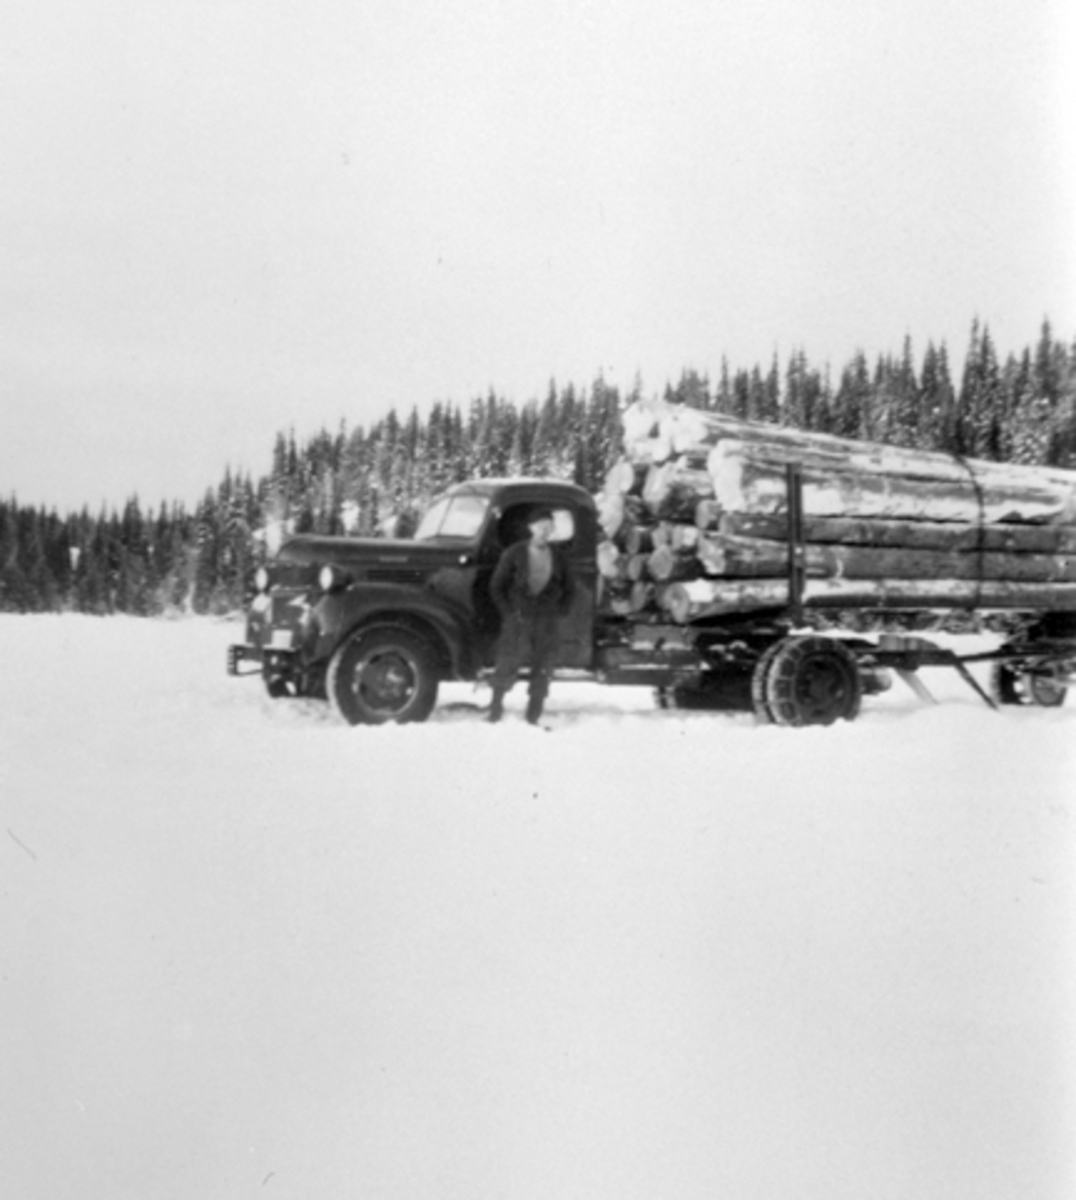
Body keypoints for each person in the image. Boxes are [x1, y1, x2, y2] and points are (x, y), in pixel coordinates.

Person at [487, 505, 576, 725]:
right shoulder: (514, 553)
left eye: (548, 527)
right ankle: (495, 709)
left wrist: (560, 611)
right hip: (519, 616)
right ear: (531, 528)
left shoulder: (559, 556)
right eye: (540, 527)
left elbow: (570, 589)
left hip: (547, 619)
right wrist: (509, 613)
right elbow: (496, 587)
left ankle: (533, 714)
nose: (544, 531)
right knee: (508, 661)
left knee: (544, 666)